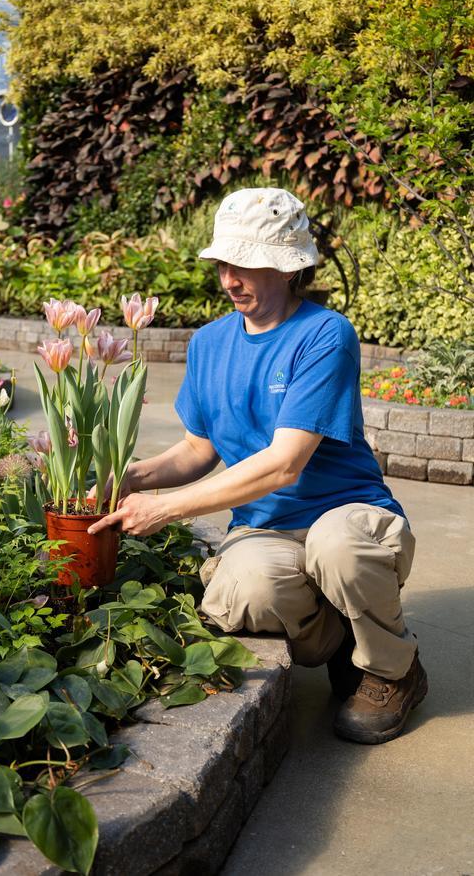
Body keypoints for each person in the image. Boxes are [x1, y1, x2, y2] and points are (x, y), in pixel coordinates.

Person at [89, 187, 428, 744]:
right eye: (224, 262)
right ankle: (345, 638)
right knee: (245, 592)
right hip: (265, 528)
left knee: (337, 548)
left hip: (345, 514)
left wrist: (167, 510)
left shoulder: (324, 334)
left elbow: (284, 465)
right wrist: (125, 479)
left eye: (246, 263)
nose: (229, 278)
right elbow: (198, 451)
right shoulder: (209, 343)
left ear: (289, 267)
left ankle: (394, 669)